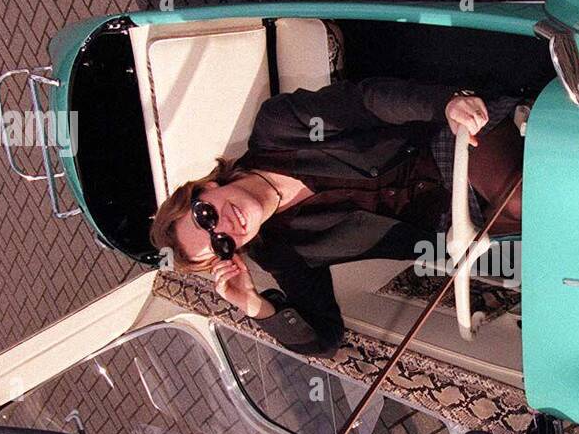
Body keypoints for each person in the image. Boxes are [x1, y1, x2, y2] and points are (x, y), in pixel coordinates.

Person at [148, 77, 524, 357]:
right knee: (537, 247)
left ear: (206, 188)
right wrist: (255, 306)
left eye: (205, 216)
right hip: (452, 225)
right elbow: (325, 338)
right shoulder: (283, 252)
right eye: (221, 244)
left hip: (447, 139)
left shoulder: (279, 127)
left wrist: (445, 105)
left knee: (517, 201)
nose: (225, 226)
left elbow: (368, 101)